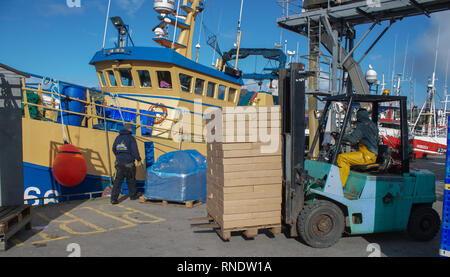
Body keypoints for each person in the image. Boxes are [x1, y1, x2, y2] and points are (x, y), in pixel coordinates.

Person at [335, 108, 379, 187]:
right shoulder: (371, 124)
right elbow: (368, 139)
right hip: (371, 154)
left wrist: (340, 136)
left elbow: (353, 138)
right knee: (347, 156)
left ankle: (338, 186)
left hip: (367, 155)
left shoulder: (362, 126)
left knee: (342, 158)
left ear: (358, 117)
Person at [111, 123, 142, 204]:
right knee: (131, 180)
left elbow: (114, 149)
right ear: (130, 129)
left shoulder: (118, 138)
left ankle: (113, 199)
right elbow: (134, 150)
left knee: (118, 181)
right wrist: (138, 159)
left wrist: (119, 156)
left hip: (119, 163)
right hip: (129, 163)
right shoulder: (131, 138)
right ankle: (133, 195)